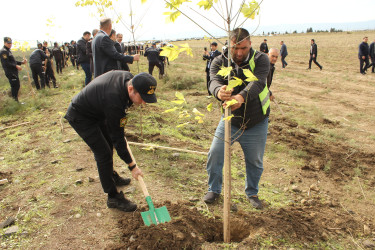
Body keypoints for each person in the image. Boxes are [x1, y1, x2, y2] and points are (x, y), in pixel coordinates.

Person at [64, 71, 157, 212]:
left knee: (108, 144)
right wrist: (132, 166)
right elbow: (118, 138)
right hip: (81, 116)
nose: (144, 102)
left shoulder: (128, 79)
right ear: (131, 89)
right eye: (142, 98)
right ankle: (112, 197)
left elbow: (116, 133)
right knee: (103, 153)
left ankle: (111, 176)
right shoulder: (114, 101)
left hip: (97, 111)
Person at [203, 28, 270, 210]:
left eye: (244, 48)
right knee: (215, 154)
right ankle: (214, 189)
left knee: (255, 160)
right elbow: (213, 81)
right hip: (230, 121)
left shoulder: (261, 59)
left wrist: (240, 97)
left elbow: (258, 82)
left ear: (250, 45)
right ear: (229, 44)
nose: (239, 53)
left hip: (256, 121)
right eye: (235, 48)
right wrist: (219, 92)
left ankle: (252, 192)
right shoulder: (219, 61)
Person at [0, 37, 27, 102]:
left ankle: (16, 101)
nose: (10, 44)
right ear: (4, 43)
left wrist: (21, 62)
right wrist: (16, 66)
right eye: (8, 43)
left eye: (10, 43)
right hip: (10, 72)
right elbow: (6, 63)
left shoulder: (8, 50)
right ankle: (15, 102)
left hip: (13, 71)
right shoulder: (4, 51)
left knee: (17, 85)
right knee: (15, 86)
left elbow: (13, 61)